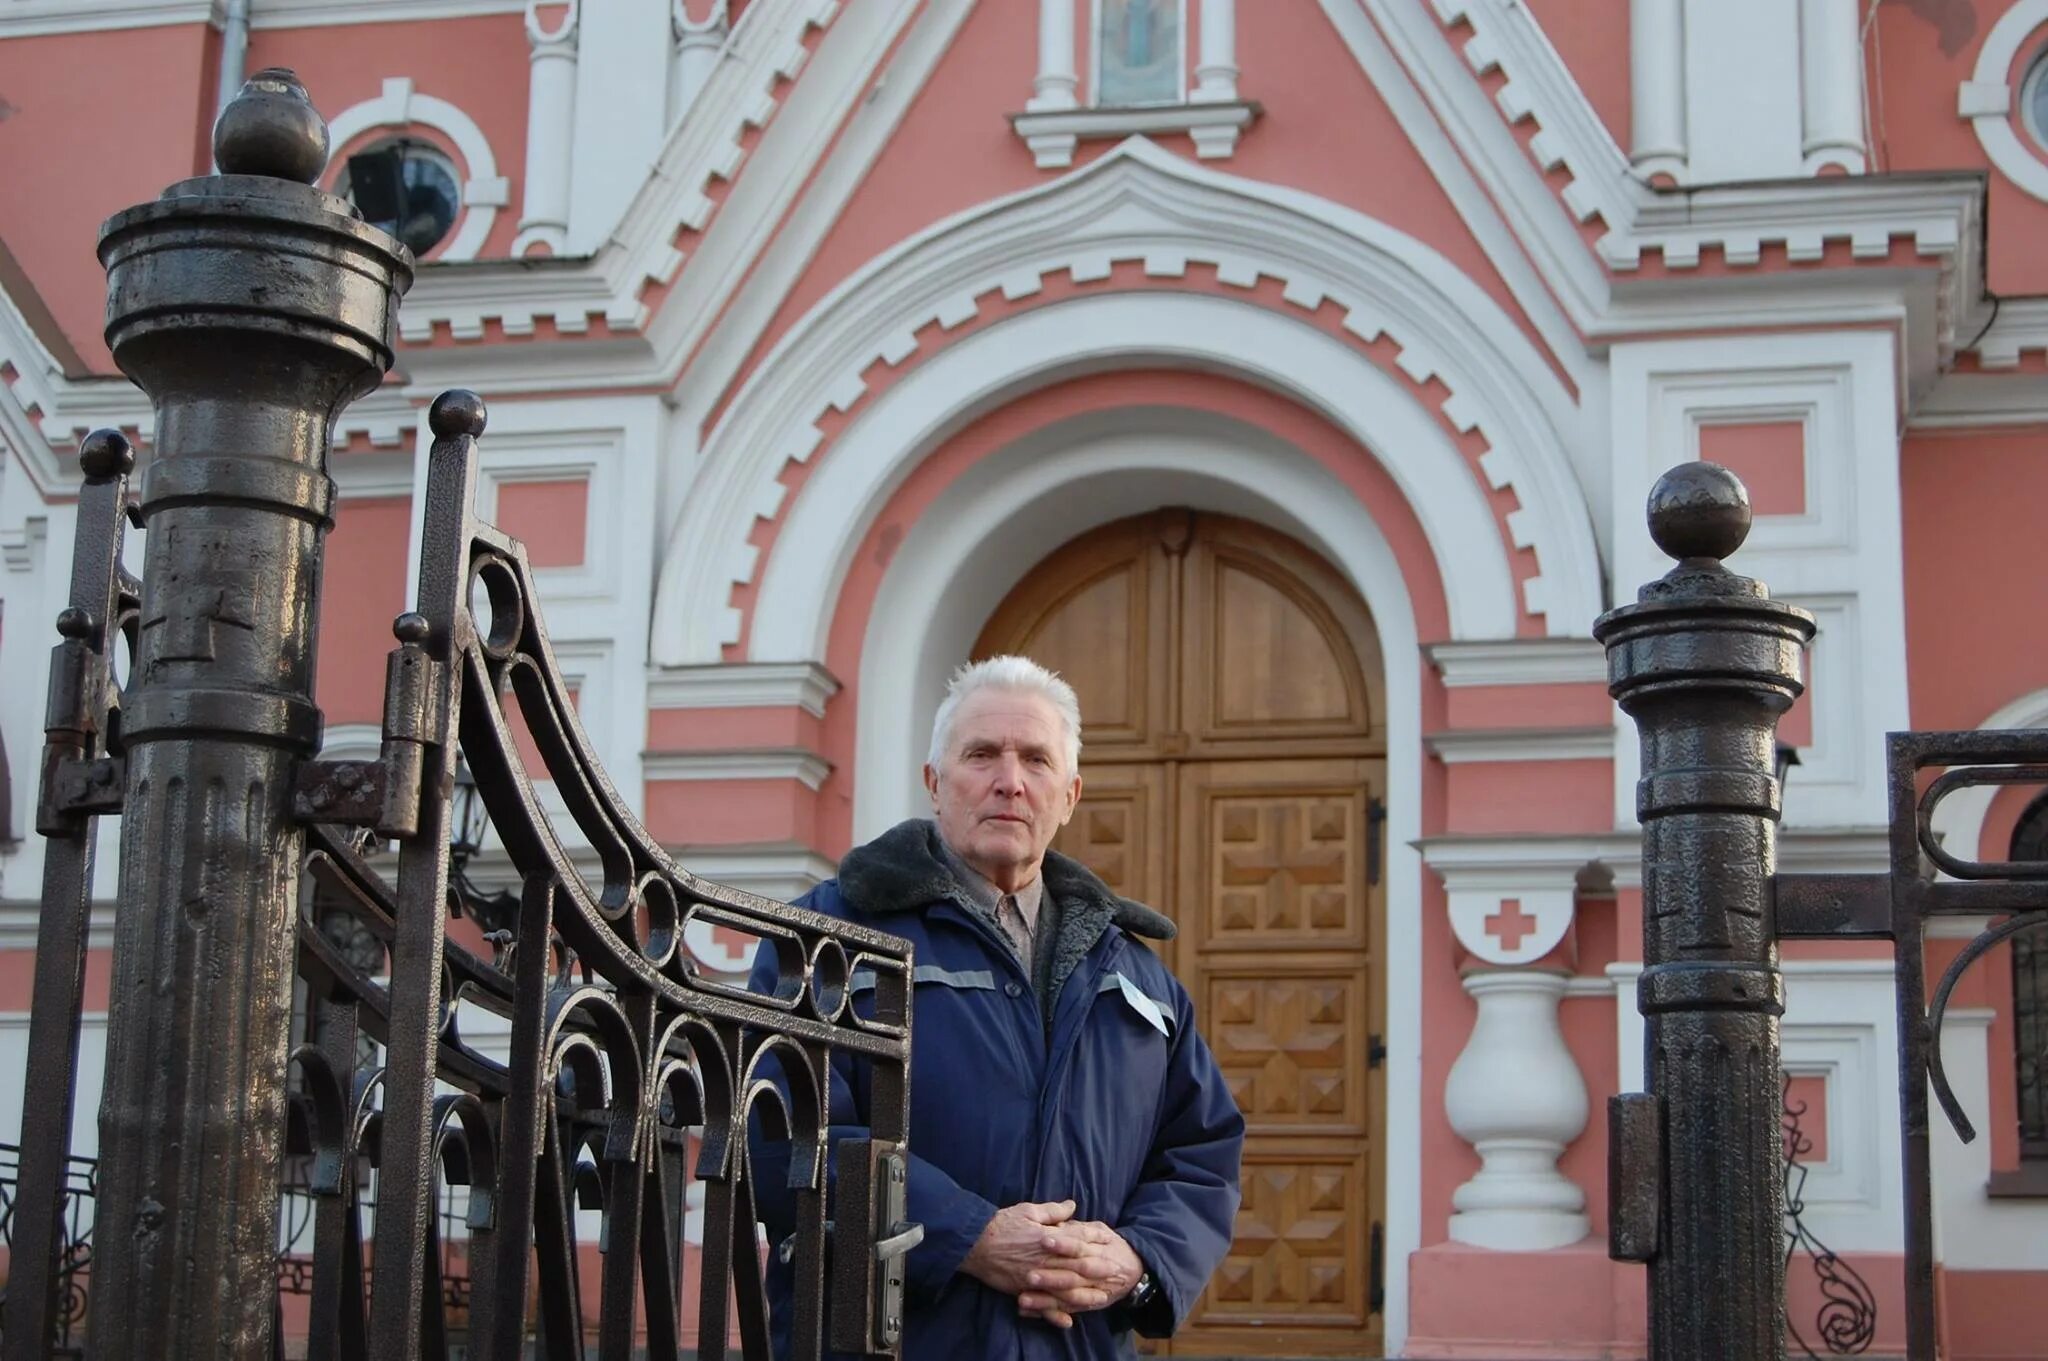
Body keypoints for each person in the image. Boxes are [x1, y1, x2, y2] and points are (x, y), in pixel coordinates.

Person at [747, 655, 1245, 1360]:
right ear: (934, 782)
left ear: (1068, 794)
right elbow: (787, 1134)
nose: (1010, 780)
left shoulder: (1137, 975)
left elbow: (1202, 1153)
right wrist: (968, 1235)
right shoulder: (829, 940)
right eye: (982, 753)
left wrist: (1138, 1260)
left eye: (1036, 759)